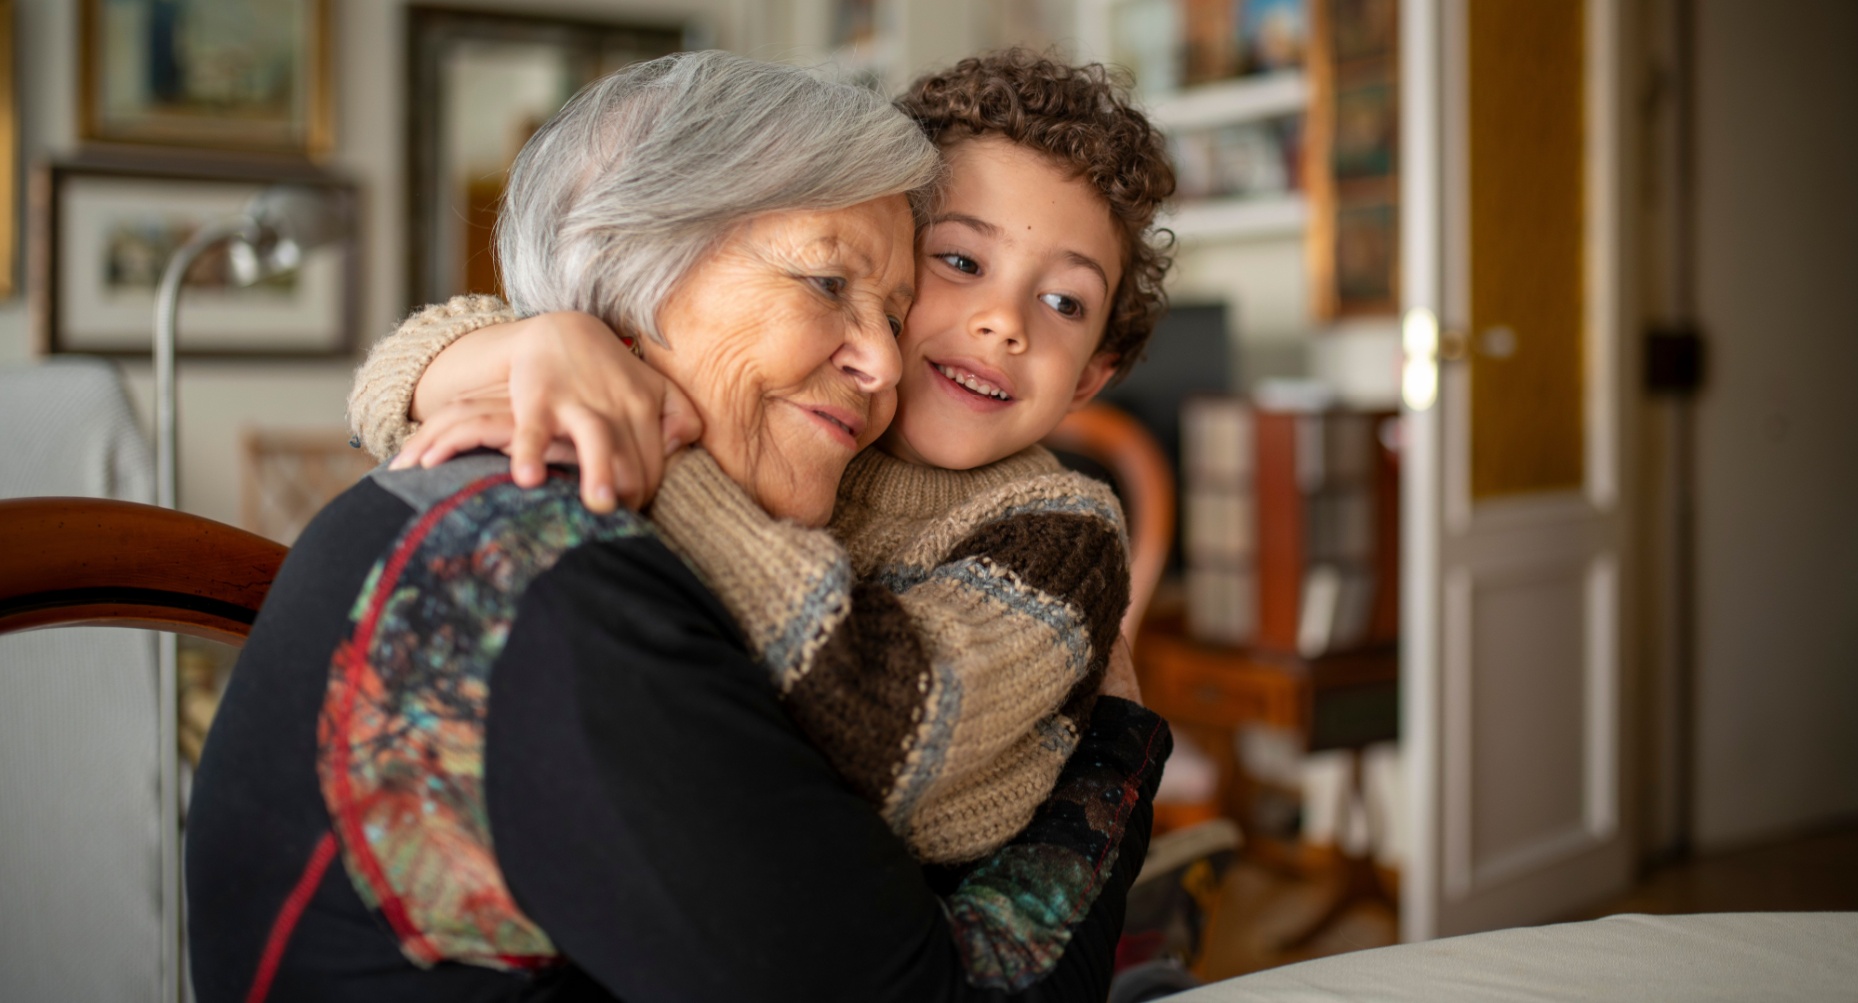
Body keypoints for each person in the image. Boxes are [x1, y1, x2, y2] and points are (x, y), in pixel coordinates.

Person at [186, 51, 1169, 1003]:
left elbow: (893, 736)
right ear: (636, 269)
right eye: (831, 283)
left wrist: (636, 428)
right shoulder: (569, 582)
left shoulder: (1030, 518)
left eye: (893, 306)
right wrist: (547, 355)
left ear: (1094, 373)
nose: (884, 358)